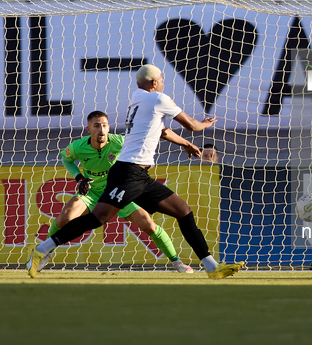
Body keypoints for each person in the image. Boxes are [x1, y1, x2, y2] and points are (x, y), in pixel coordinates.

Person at [27, 64, 244, 279]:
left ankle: (212, 267)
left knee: (183, 211)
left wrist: (184, 144)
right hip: (127, 173)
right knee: (98, 218)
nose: (162, 83)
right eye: (161, 80)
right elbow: (192, 125)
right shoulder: (159, 99)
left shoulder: (137, 100)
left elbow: (162, 131)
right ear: (153, 83)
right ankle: (43, 249)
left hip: (140, 176)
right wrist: (204, 124)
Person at [38, 111, 193, 273]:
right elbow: (66, 159)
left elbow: (141, 150)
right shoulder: (77, 147)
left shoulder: (119, 142)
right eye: (97, 126)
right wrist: (79, 178)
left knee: (149, 226)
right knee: (65, 217)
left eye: (104, 125)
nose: (102, 130)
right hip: (93, 193)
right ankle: (45, 255)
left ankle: (177, 262)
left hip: (119, 192)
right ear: (88, 129)